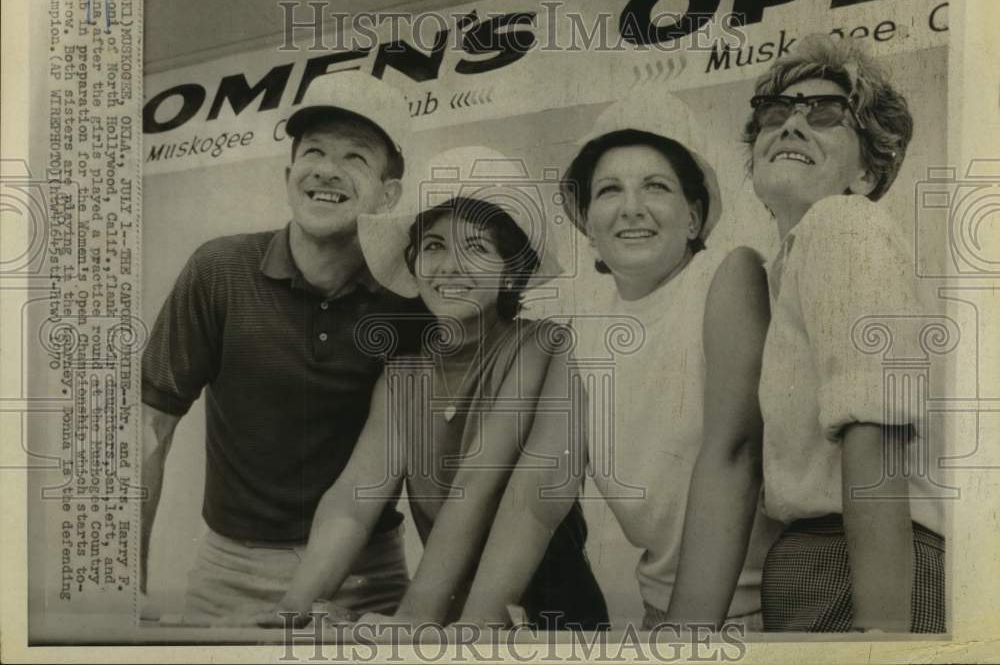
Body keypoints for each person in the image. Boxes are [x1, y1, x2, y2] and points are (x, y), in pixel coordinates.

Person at [457, 94, 780, 631]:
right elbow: (541, 489)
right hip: (664, 614)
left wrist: (684, 641)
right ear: (588, 224)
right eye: (609, 190)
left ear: (694, 217)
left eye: (656, 186)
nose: (631, 207)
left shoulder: (729, 275)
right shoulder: (583, 332)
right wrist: (478, 620)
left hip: (764, 616)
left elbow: (736, 453)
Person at [253, 146, 609, 630]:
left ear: (511, 271)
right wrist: (294, 605)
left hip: (553, 622)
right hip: (450, 624)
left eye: (477, 247)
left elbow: (482, 483)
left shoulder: (542, 346)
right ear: (414, 262)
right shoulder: (403, 376)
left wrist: (417, 617)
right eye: (434, 246)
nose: (449, 266)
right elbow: (354, 500)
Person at [668, 34, 945, 633]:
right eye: (775, 113)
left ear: (867, 172)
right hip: (809, 566)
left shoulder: (842, 222)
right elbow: (733, 456)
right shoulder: (779, 271)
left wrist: (883, 642)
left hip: (867, 565)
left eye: (825, 114)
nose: (792, 124)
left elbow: (874, 425)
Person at [140, 71, 423, 622]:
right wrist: (125, 583)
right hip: (228, 574)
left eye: (355, 157)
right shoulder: (218, 270)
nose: (326, 169)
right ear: (288, 175)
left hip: (367, 575)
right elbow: (151, 425)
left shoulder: (409, 300)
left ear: (389, 193)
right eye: (313, 151)